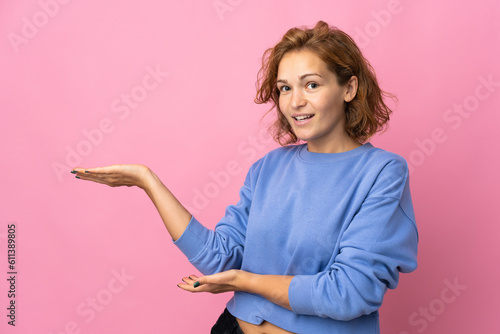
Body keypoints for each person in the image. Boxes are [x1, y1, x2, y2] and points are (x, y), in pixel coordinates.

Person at [72, 21, 418, 334]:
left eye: (311, 84)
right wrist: (148, 181)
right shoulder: (268, 167)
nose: (295, 101)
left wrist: (246, 281)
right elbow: (219, 258)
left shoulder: (382, 172)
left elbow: (348, 293)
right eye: (284, 89)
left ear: (349, 88)